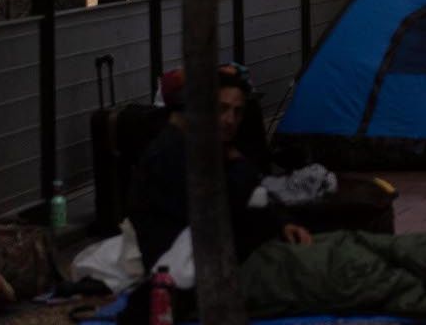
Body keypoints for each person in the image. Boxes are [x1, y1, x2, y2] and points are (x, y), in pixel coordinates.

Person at [129, 66, 313, 267]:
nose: (230, 120)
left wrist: (283, 222)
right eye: (222, 108)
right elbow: (224, 212)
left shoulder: (216, 147)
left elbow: (255, 192)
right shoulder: (171, 156)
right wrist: (238, 166)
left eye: (237, 112)